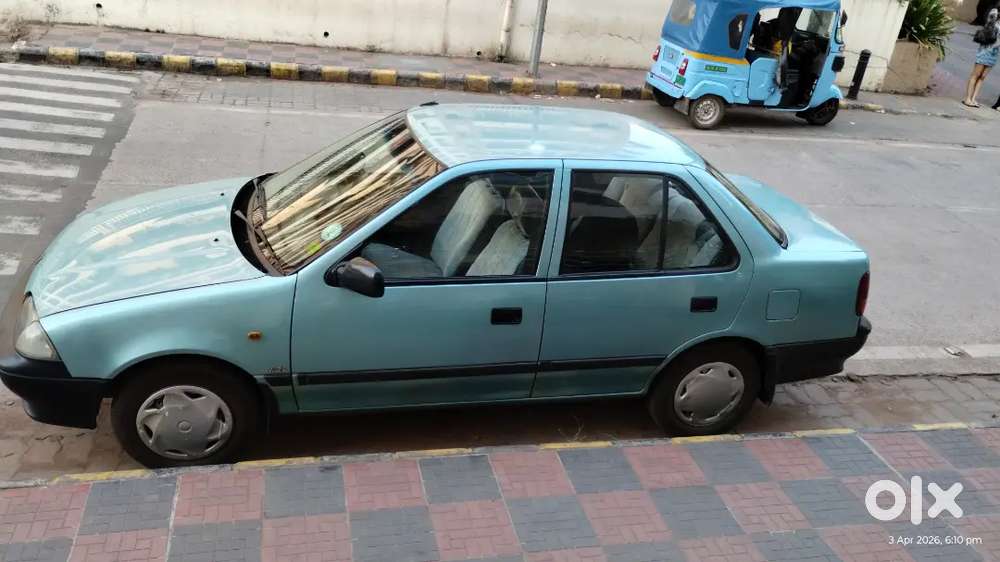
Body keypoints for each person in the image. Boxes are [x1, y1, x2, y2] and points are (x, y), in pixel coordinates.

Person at [964, 9, 1000, 107]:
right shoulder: (994, 16)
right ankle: (967, 98)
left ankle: (973, 99)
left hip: (994, 54)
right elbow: (989, 18)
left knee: (982, 77)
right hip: (985, 51)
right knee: (975, 75)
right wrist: (996, 13)